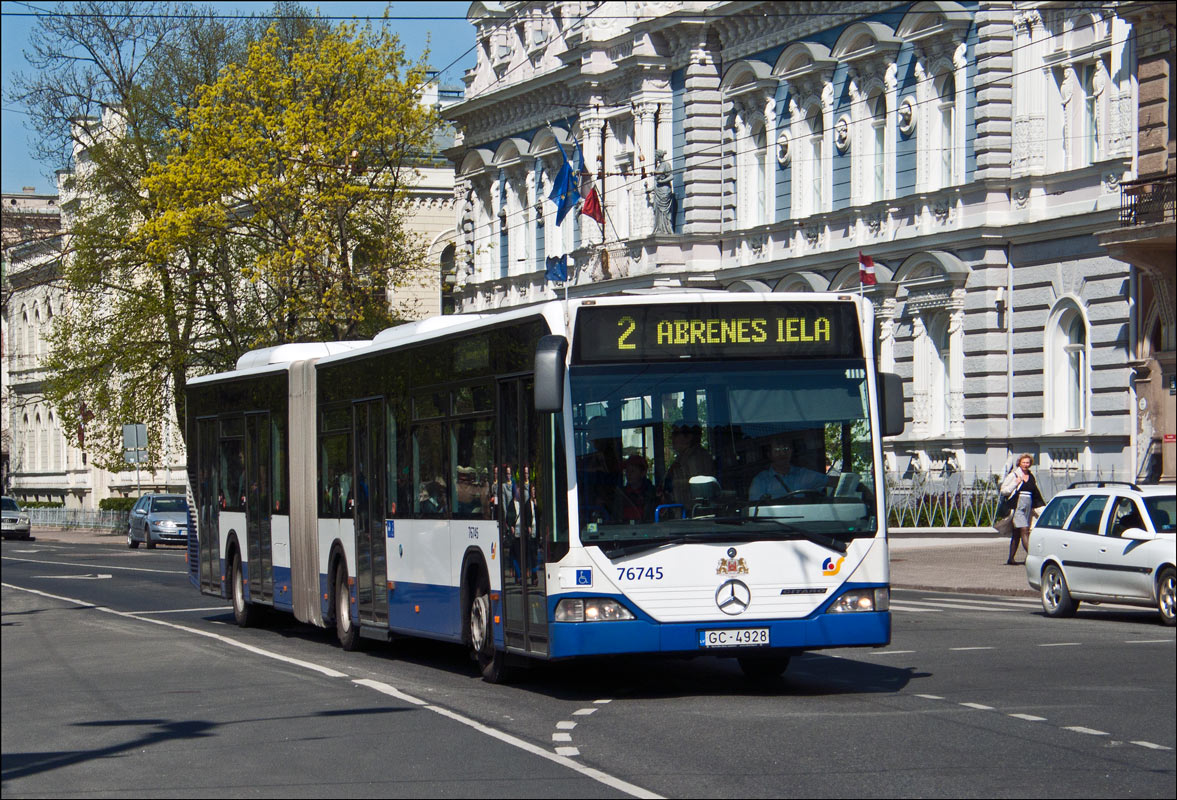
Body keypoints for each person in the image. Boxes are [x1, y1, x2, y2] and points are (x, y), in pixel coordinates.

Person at [748, 436, 826, 501]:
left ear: (791, 452)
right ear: (769, 454)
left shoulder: (803, 474)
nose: (782, 454)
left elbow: (831, 481)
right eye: (777, 450)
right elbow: (755, 507)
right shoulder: (761, 480)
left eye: (786, 449)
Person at [1000, 453, 1045, 564]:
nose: (1026, 464)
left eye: (1028, 462)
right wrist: (1015, 483)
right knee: (1024, 530)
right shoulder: (1014, 475)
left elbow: (1035, 492)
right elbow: (1003, 490)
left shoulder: (1031, 475)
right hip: (1017, 505)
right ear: (1019, 463)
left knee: (1017, 533)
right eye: (1024, 462)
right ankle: (1032, 556)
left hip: (1028, 505)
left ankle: (1011, 558)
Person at [662, 422, 716, 509]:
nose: (671, 438)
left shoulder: (697, 458)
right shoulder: (682, 458)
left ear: (689, 437)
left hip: (693, 516)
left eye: (675, 434)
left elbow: (699, 490)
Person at [620, 455, 656, 523]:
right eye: (627, 471)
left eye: (632, 471)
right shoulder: (621, 495)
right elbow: (616, 519)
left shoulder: (653, 494)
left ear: (643, 473)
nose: (628, 474)